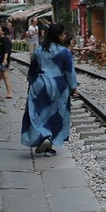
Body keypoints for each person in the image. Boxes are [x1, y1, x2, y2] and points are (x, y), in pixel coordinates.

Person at [21, 22, 79, 156]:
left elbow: (32, 71)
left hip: (39, 84)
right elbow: (69, 72)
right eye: (63, 33)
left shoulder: (39, 50)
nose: (64, 36)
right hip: (59, 86)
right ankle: (49, 141)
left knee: (36, 114)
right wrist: (73, 88)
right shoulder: (65, 52)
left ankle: (45, 138)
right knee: (56, 114)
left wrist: (31, 84)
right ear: (59, 35)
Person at [0, 24, 13, 99]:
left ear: (3, 32)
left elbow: (6, 51)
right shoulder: (1, 40)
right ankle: (9, 93)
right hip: (1, 61)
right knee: (5, 77)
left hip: (2, 61)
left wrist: (5, 59)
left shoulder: (4, 39)